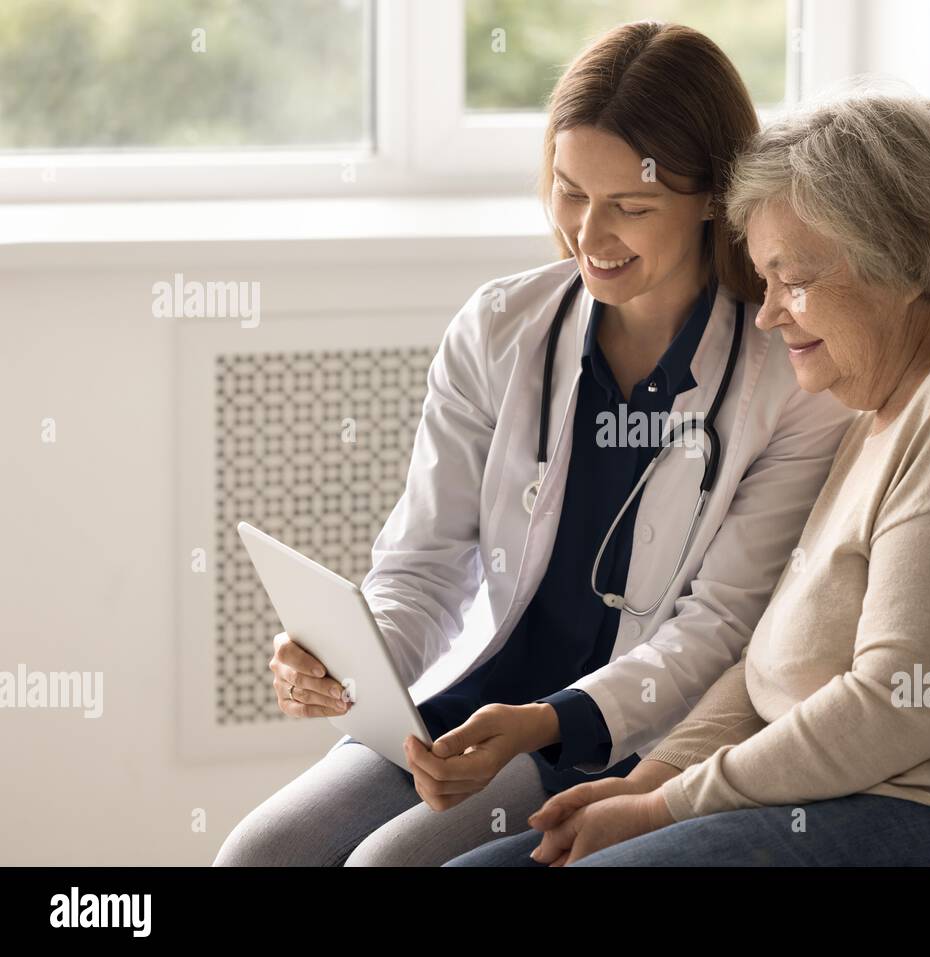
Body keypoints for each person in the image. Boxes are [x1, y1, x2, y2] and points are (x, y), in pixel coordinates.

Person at [445, 90, 930, 868]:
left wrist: (665, 807)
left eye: (792, 278)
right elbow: (763, 665)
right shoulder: (886, 399)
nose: (768, 314)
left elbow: (908, 700)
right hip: (861, 795)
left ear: (900, 256)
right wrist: (652, 780)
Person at [213, 22, 853, 867]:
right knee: (259, 853)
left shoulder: (786, 381)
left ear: (711, 198)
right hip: (475, 703)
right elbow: (425, 563)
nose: (590, 234)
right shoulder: (500, 329)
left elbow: (721, 624)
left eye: (631, 206)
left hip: (613, 732)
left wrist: (549, 721)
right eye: (569, 191)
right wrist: (349, 662)